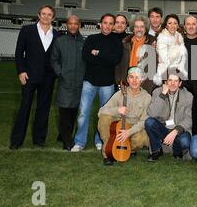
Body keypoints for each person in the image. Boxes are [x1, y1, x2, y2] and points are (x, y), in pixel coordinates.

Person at [71, 13, 123, 152]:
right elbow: (86, 57)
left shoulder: (116, 41)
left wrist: (98, 53)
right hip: (90, 81)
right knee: (83, 112)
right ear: (100, 24)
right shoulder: (92, 38)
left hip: (107, 84)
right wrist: (104, 56)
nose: (107, 25)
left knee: (104, 114)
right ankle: (79, 142)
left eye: (110, 23)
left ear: (113, 26)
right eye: (105, 22)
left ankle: (99, 139)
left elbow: (115, 60)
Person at [10, 4, 60, 149]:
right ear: (38, 15)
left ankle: (39, 139)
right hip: (29, 76)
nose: (46, 16)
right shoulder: (27, 30)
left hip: (48, 78)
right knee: (24, 108)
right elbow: (19, 52)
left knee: (43, 109)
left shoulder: (56, 34)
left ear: (53, 17)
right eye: (43, 14)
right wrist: (21, 71)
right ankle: (16, 140)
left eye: (49, 14)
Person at [97, 67, 151, 165]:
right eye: (131, 77)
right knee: (104, 118)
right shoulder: (120, 94)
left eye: (137, 77)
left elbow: (144, 121)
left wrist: (128, 132)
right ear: (127, 79)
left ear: (142, 79)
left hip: (133, 128)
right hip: (118, 126)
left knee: (142, 138)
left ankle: (129, 149)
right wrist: (117, 110)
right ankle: (107, 153)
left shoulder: (147, 98)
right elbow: (101, 111)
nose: (134, 80)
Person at [50, 15, 85, 150]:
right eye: (70, 23)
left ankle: (63, 134)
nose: (73, 26)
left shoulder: (84, 42)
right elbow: (54, 60)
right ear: (67, 25)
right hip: (65, 82)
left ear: (79, 25)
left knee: (73, 112)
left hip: (79, 83)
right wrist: (61, 73)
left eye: (75, 23)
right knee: (64, 111)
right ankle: (67, 141)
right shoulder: (60, 41)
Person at [145, 70, 193, 161]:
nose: (173, 84)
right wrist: (163, 94)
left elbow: (189, 118)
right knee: (149, 122)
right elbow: (152, 113)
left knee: (185, 141)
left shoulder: (188, 96)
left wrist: (176, 131)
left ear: (180, 83)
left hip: (179, 129)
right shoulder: (157, 92)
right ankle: (156, 151)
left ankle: (177, 151)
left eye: (176, 81)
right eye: (170, 80)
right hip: (163, 128)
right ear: (165, 82)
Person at [114, 15, 156, 94]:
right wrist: (119, 80)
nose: (139, 29)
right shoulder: (125, 42)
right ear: (133, 28)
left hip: (146, 84)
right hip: (127, 83)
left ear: (145, 28)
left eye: (142, 27)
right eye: (136, 27)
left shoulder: (153, 42)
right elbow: (119, 64)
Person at [153, 14, 188, 85]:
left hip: (178, 74)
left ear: (178, 25)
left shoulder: (179, 36)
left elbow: (183, 58)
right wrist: (177, 47)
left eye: (175, 23)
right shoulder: (162, 38)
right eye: (170, 23)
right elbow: (166, 60)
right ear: (166, 25)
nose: (172, 26)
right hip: (165, 75)